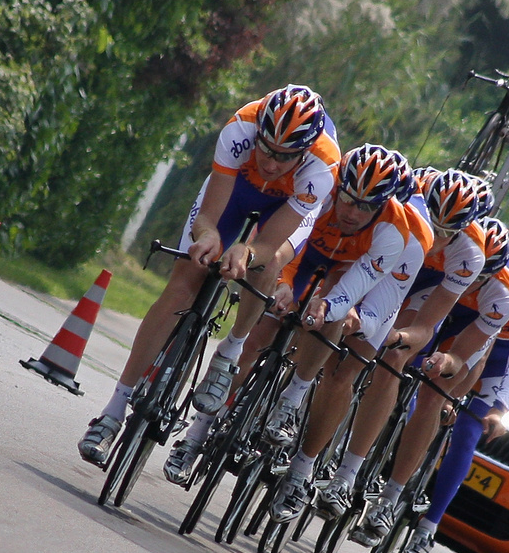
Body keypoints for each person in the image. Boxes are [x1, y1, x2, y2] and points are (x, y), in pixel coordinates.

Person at [79, 85, 340, 466]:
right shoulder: (241, 126)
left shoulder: (323, 166)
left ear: (303, 152)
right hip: (237, 191)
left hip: (284, 209)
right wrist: (209, 237)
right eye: (266, 147)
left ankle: (229, 351)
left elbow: (271, 242)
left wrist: (247, 251)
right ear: (259, 133)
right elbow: (208, 216)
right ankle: (112, 411)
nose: (270, 162)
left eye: (284, 157)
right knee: (185, 281)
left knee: (265, 266)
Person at [163, 144, 422, 485]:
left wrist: (326, 305)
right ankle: (196, 435)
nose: (352, 212)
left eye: (365, 206)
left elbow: (355, 287)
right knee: (260, 330)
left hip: (346, 270)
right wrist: (283, 284)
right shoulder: (323, 189)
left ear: (384, 205)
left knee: (332, 314)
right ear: (338, 186)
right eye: (347, 198)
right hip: (305, 251)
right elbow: (285, 245)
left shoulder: (398, 233)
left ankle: (293, 398)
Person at [262, 171, 483, 523]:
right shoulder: (405, 216)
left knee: (369, 362)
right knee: (325, 307)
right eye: (434, 225)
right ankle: (281, 392)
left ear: (462, 231)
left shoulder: (470, 256)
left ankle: (329, 473)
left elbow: (424, 326)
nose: (438, 240)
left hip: (415, 287)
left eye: (447, 234)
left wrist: (393, 336)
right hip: (381, 257)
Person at [391, 233, 509, 553]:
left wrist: (499, 408)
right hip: (468, 331)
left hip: (501, 356)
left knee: (468, 431)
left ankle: (428, 527)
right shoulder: (490, 272)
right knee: (425, 388)